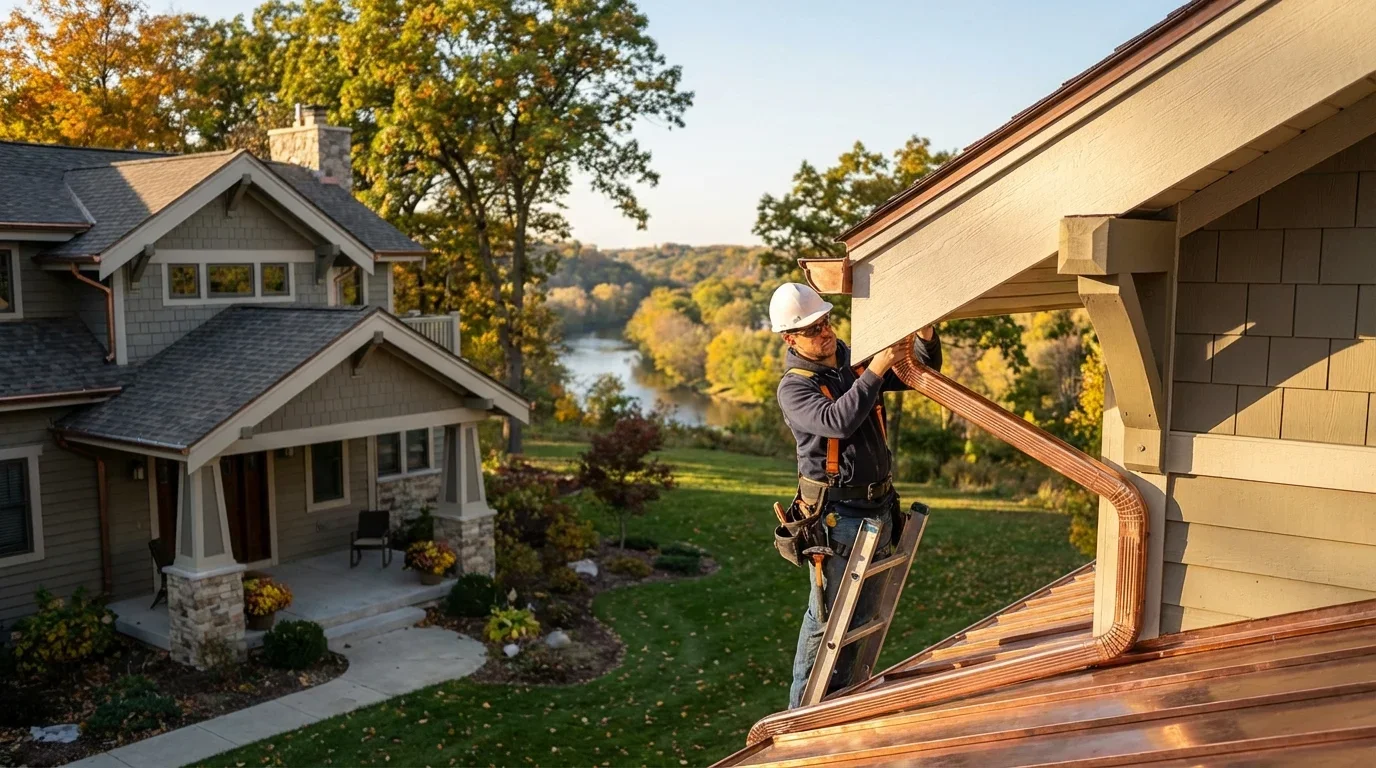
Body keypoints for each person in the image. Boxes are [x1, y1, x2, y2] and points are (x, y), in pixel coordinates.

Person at [769, 282, 941, 709]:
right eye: (812, 329)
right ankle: (801, 712)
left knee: (862, 617)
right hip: (838, 517)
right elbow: (837, 421)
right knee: (827, 621)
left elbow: (919, 375)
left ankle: (837, 701)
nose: (824, 332)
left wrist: (925, 338)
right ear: (791, 338)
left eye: (825, 322)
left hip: (879, 507)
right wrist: (875, 369)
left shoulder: (847, 359)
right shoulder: (794, 387)